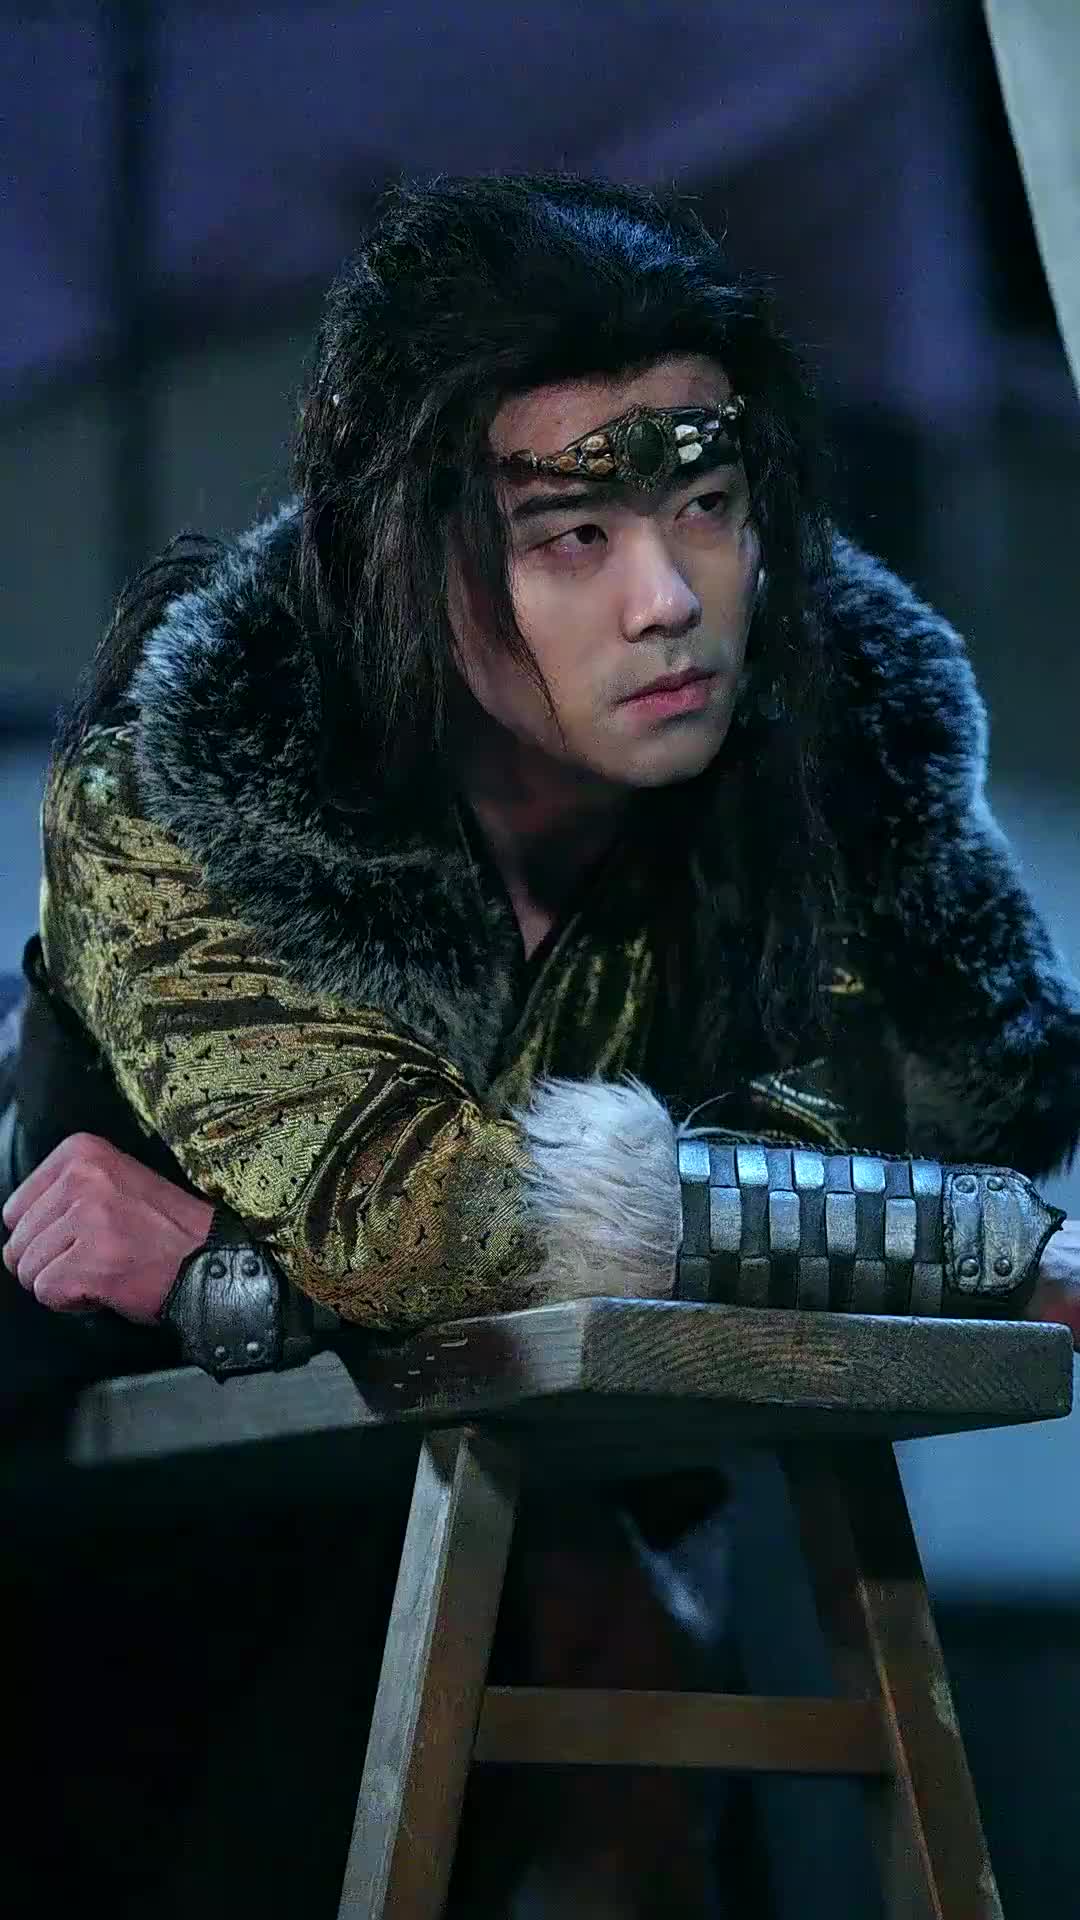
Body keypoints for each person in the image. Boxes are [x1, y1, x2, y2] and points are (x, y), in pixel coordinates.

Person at [3, 172, 1080, 1914]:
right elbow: (418, 1219)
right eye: (571, 537)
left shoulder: (837, 720)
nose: (669, 597)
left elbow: (981, 1107)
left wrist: (239, 1267)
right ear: (405, 553)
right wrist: (975, 1253)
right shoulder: (203, 768)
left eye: (709, 505)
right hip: (121, 1530)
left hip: (571, 1491)